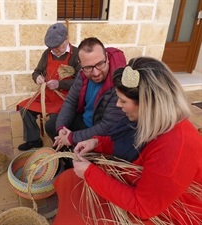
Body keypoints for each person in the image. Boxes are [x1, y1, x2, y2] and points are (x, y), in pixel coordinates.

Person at [52, 57, 202, 225]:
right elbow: (126, 141)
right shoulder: (152, 119)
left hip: (169, 212)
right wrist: (96, 143)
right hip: (139, 186)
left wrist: (90, 173)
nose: (117, 104)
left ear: (147, 104)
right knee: (69, 180)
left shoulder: (174, 148)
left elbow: (144, 207)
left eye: (123, 101)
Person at [51, 37, 126, 152]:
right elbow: (71, 101)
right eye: (88, 67)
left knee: (76, 150)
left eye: (100, 64)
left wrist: (72, 137)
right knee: (53, 125)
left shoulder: (118, 83)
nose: (95, 73)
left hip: (102, 131)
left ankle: (73, 158)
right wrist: (61, 128)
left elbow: (107, 126)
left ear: (107, 58)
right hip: (85, 120)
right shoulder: (82, 75)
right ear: (81, 65)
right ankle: (66, 154)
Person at [17, 23, 80, 151]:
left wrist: (60, 84)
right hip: (46, 96)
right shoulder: (47, 53)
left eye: (57, 46)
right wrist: (37, 77)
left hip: (66, 99)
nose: (54, 50)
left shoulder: (77, 54)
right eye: (51, 47)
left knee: (54, 123)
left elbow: (81, 81)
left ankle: (60, 147)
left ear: (66, 39)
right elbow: (36, 71)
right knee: (25, 109)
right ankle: (34, 139)